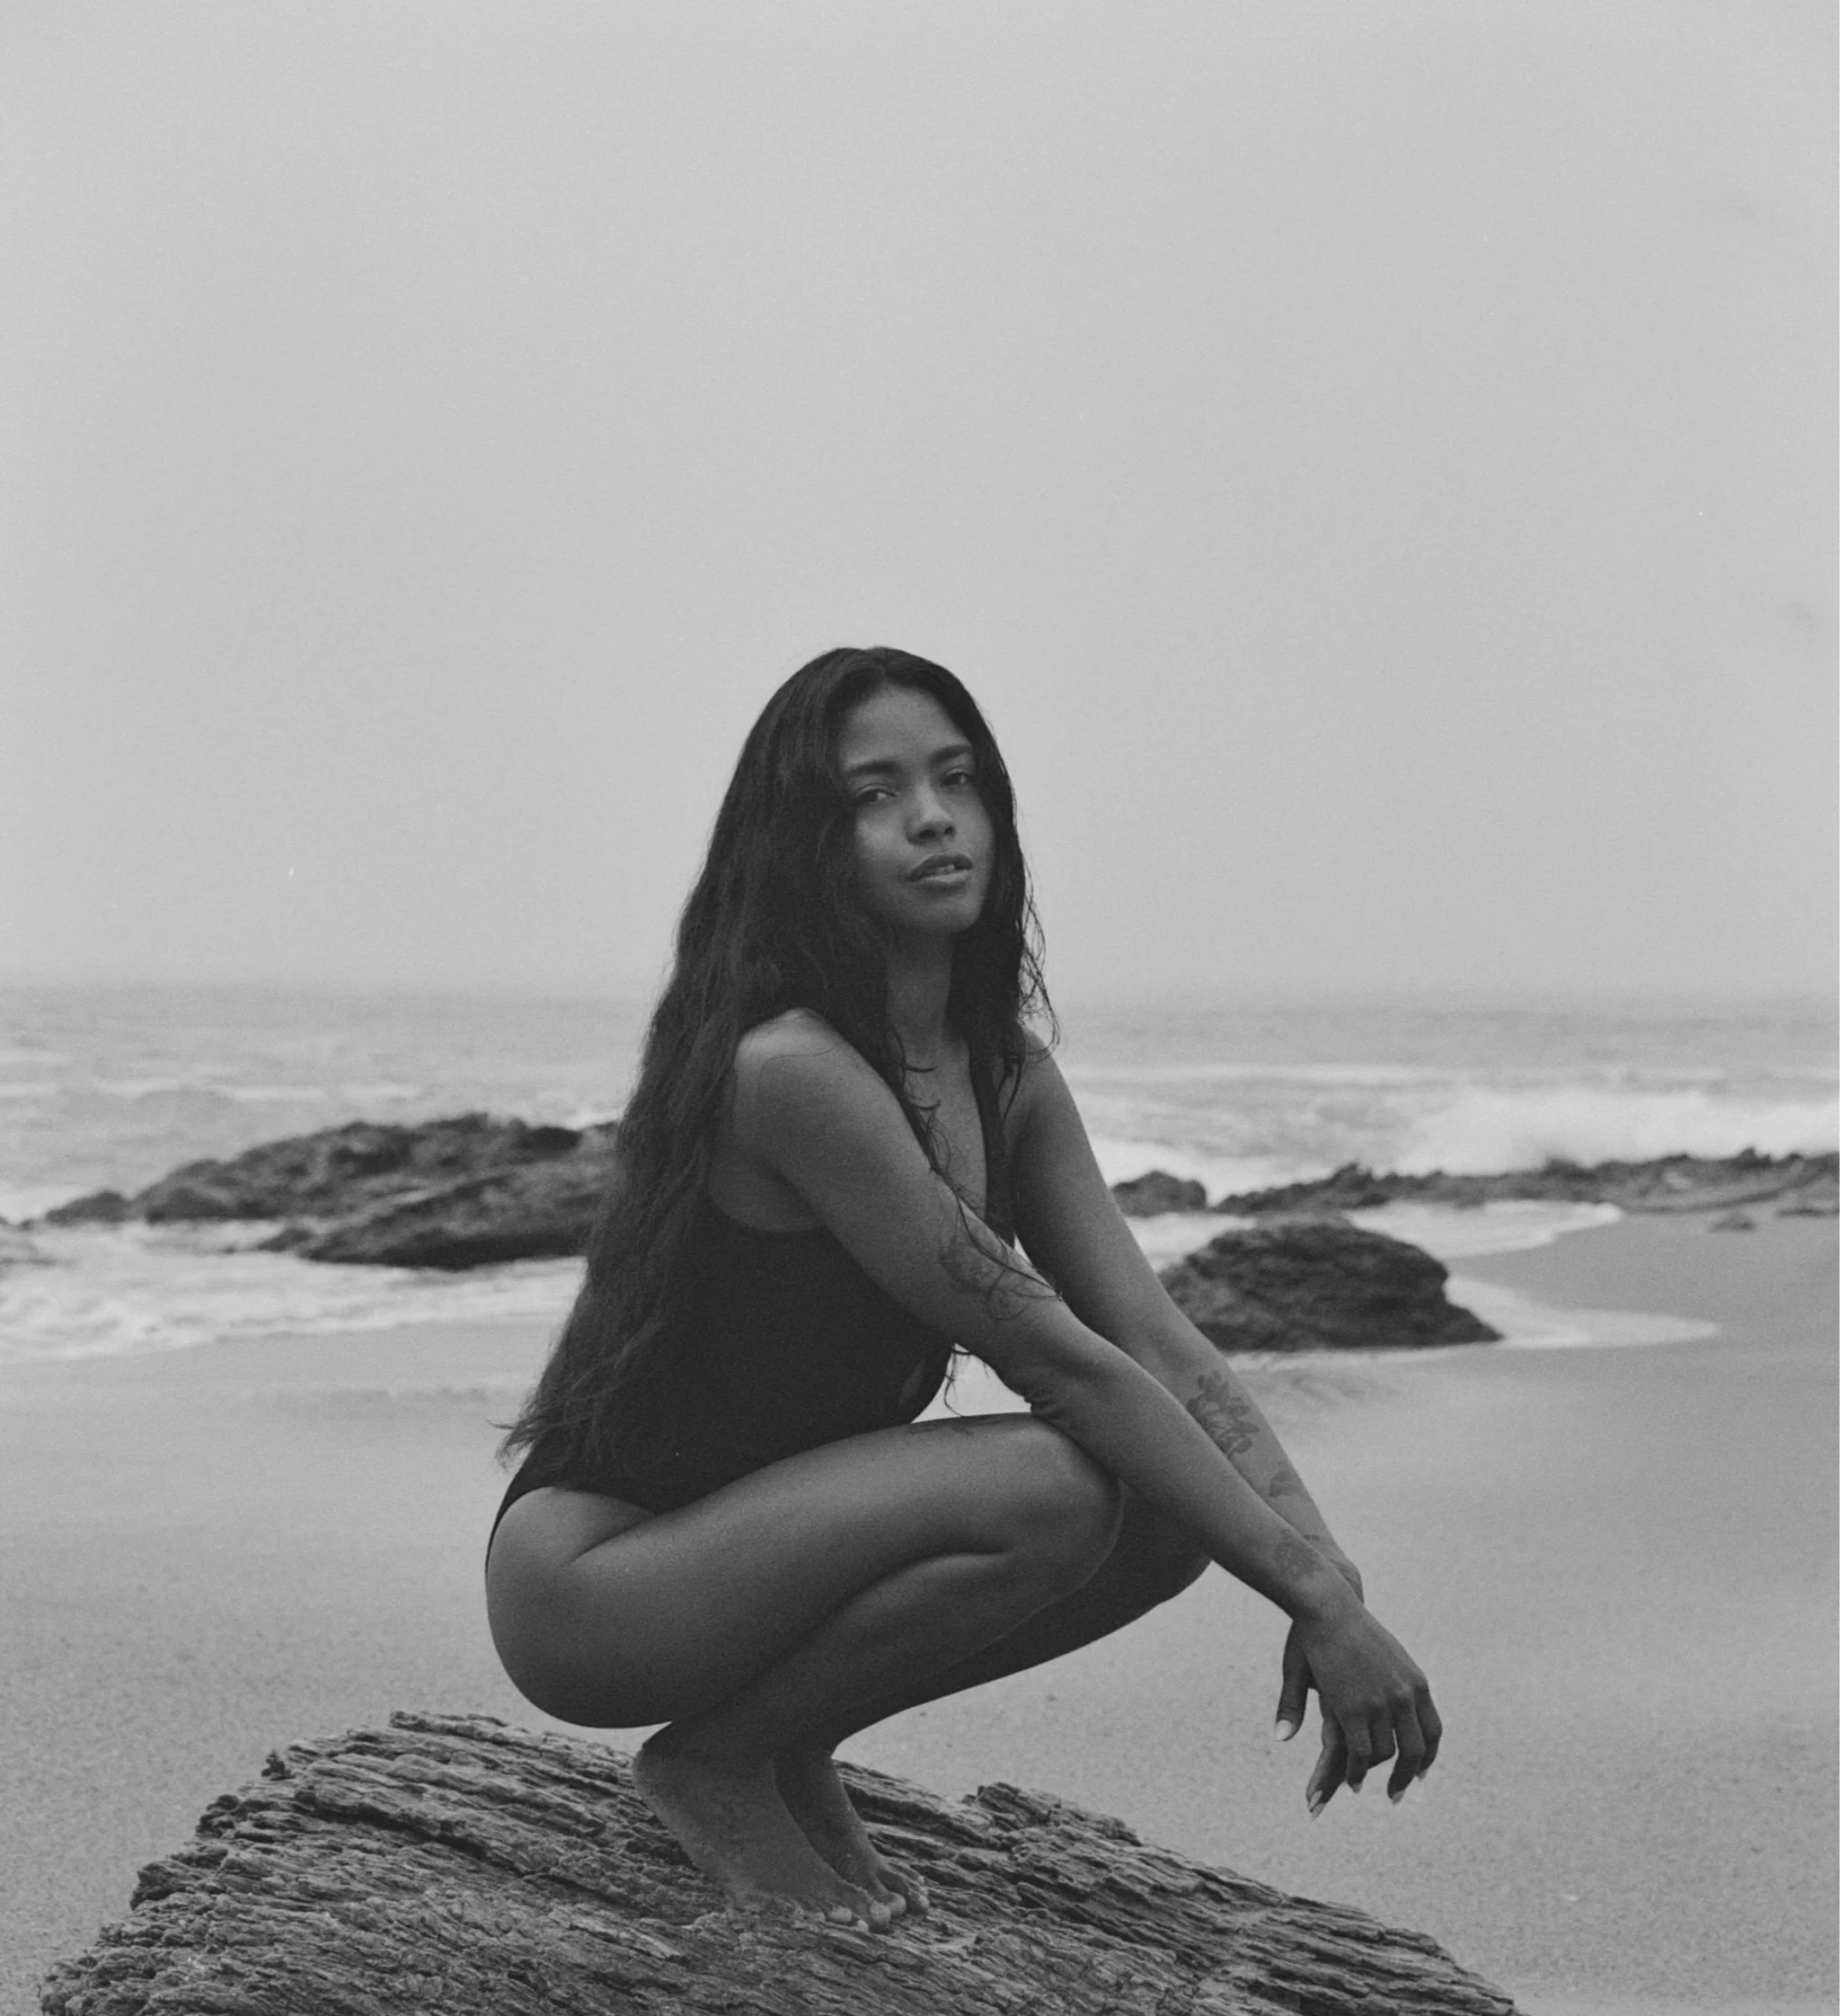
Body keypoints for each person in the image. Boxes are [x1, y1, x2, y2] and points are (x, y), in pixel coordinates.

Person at [485, 646, 1441, 1931]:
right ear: (807, 844)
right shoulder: (796, 1071)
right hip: (599, 1584)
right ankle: (714, 1761)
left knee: (1168, 1514)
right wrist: (1310, 1597)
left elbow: (1156, 1339)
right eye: (874, 794)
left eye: (956, 779)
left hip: (767, 1548)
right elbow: (1057, 1358)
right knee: (1066, 1479)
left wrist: (1327, 1573)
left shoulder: (1005, 1076)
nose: (932, 816)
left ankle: (785, 1745)